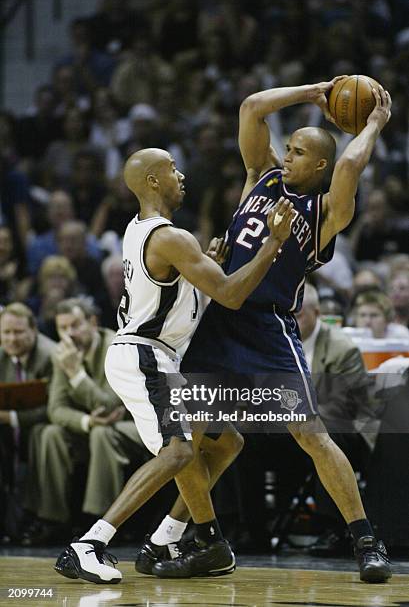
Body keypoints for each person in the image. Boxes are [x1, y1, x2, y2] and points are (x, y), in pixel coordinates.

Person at [153, 78, 392, 583]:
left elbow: (350, 164)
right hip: (216, 321)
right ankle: (202, 539)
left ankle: (366, 540)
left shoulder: (326, 212)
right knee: (190, 442)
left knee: (310, 434)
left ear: (319, 167)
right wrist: (315, 92)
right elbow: (251, 106)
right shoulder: (259, 177)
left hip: (268, 330)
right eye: (288, 147)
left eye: (300, 151)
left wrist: (372, 123)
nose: (287, 156)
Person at [54, 148, 295, 584]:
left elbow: (181, 300)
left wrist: (207, 268)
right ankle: (88, 545)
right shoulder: (170, 237)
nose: (181, 175)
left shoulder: (140, 230)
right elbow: (232, 295)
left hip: (154, 353)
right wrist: (274, 243)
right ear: (151, 181)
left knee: (227, 443)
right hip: (145, 355)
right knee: (180, 451)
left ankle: (166, 536)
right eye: (171, 169)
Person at [25, 298, 144, 545]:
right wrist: (87, 421)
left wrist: (76, 375)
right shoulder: (65, 353)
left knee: (103, 435)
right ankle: (54, 520)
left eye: (75, 325)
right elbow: (56, 409)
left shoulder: (117, 347)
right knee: (49, 433)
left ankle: (101, 522)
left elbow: (110, 404)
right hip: (94, 427)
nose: (69, 334)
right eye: (62, 328)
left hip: (135, 425)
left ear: (92, 322)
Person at [296, 284, 377, 555]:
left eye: (299, 314)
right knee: (233, 433)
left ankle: (333, 528)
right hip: (292, 429)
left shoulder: (342, 348)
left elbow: (341, 407)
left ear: (317, 313)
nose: (292, 320)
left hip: (348, 430)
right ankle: (244, 524)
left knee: (326, 432)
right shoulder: (277, 343)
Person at [0, 303, 56, 543]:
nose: (12, 339)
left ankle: (43, 519)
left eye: (19, 332)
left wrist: (11, 418)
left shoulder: (51, 356)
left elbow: (55, 407)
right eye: (6, 332)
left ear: (34, 330)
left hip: (42, 429)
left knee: (44, 435)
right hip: (8, 434)